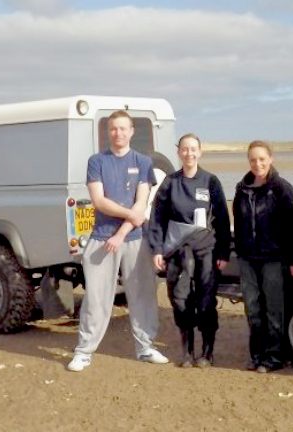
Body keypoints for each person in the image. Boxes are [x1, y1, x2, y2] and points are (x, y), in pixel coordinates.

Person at [67, 110, 169, 372]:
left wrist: (122, 232)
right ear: (108, 132)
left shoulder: (143, 162)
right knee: (97, 298)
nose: (118, 133)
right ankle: (84, 351)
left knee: (142, 294)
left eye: (123, 128)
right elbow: (99, 201)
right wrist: (129, 215)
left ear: (132, 131)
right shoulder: (96, 161)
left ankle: (145, 347)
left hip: (135, 239)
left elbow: (142, 201)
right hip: (101, 239)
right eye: (113, 129)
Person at [148, 133, 231, 368]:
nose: (189, 153)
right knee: (180, 300)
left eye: (193, 149)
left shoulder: (210, 181)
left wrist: (223, 253)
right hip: (178, 252)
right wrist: (157, 249)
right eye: (185, 149)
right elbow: (157, 218)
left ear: (200, 152)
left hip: (206, 250)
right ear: (179, 152)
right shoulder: (170, 183)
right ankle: (187, 352)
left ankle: (207, 351)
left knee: (205, 301)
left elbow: (223, 220)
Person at [232, 140, 293, 373]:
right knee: (252, 308)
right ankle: (257, 355)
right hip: (248, 258)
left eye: (262, 159)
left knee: (274, 309)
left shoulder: (282, 189)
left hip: (274, 258)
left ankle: (274, 357)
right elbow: (239, 223)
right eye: (253, 159)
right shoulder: (242, 189)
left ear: (270, 159)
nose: (257, 163)